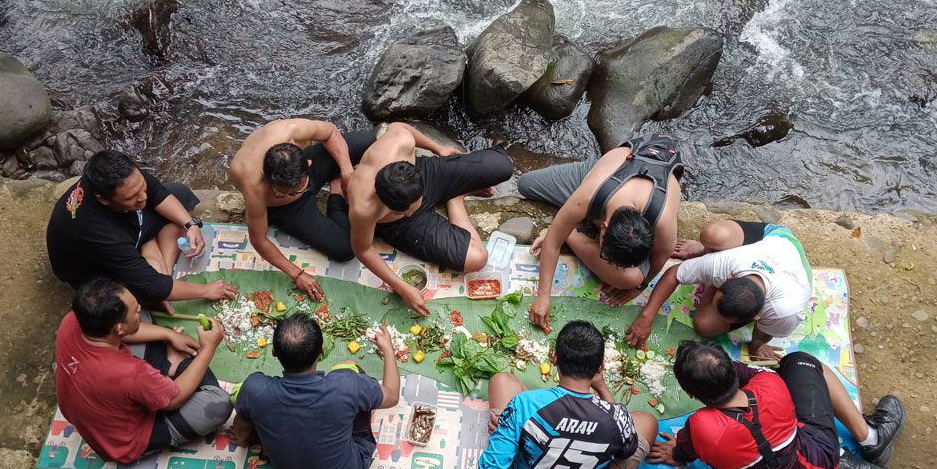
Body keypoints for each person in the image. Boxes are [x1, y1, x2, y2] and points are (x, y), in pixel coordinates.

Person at [649, 340, 906, 469]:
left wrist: (677, 453)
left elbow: (683, 450)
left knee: (768, 445)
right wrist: (720, 368)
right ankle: (870, 439)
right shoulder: (770, 383)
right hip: (817, 463)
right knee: (801, 361)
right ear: (732, 371)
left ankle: (850, 457)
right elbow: (753, 372)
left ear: (692, 394)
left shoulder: (700, 425)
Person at [478, 320, 659, 469]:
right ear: (600, 367)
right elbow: (626, 451)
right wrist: (602, 388)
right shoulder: (616, 416)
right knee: (648, 421)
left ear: (554, 358)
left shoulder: (523, 404)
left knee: (502, 381)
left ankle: (514, 435)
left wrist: (507, 431)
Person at [55, 278, 233, 464]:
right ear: (119, 329)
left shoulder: (74, 320)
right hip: (125, 439)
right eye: (135, 309)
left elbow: (128, 331)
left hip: (105, 395)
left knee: (145, 319)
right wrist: (208, 348)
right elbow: (174, 400)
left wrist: (170, 334)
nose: (139, 306)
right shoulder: (129, 372)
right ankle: (171, 369)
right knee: (218, 403)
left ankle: (168, 367)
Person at [520, 133, 683, 333]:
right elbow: (552, 242)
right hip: (603, 176)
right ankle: (570, 230)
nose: (610, 264)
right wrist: (543, 296)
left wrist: (639, 287)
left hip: (646, 181)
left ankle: (569, 232)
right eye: (606, 256)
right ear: (603, 228)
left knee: (630, 279)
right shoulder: (589, 195)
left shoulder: (662, 221)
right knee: (525, 184)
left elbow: (660, 258)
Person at [347, 122, 513, 316]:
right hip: (401, 225)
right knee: (478, 259)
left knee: (504, 165)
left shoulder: (398, 143)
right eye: (407, 210)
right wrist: (402, 287)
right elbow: (362, 248)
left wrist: (438, 148)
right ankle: (455, 199)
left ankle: (447, 188)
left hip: (426, 176)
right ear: (387, 206)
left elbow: (399, 126)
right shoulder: (363, 208)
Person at [227, 314, 400, 469]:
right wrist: (388, 349)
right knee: (349, 365)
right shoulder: (347, 383)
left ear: (274, 352)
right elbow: (392, 395)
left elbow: (241, 427)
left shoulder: (254, 389)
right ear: (322, 350)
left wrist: (242, 438)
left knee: (239, 395)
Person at [47, 150, 239, 309]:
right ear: (103, 199)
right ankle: (152, 257)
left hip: (125, 228)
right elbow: (150, 286)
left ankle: (157, 262)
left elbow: (157, 193)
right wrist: (205, 290)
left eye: (142, 187)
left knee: (179, 194)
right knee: (133, 301)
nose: (143, 197)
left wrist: (190, 224)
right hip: (94, 268)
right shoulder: (96, 229)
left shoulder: (125, 176)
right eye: (133, 197)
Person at [230, 119, 376, 302]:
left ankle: (337, 176)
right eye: (286, 191)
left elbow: (330, 131)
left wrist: (347, 170)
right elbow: (259, 239)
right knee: (346, 248)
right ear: (265, 176)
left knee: (368, 140)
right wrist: (297, 274)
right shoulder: (252, 183)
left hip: (301, 170)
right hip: (289, 208)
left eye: (300, 187)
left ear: (307, 162)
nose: (299, 190)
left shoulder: (287, 130)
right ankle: (336, 191)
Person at [626, 220, 812, 360]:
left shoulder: (784, 312)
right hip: (772, 236)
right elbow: (674, 273)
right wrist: (646, 317)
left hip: (791, 264)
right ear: (729, 278)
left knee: (704, 324)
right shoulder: (728, 263)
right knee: (713, 235)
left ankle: (708, 265)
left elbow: (764, 332)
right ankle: (703, 250)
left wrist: (757, 347)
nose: (710, 308)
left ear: (757, 316)